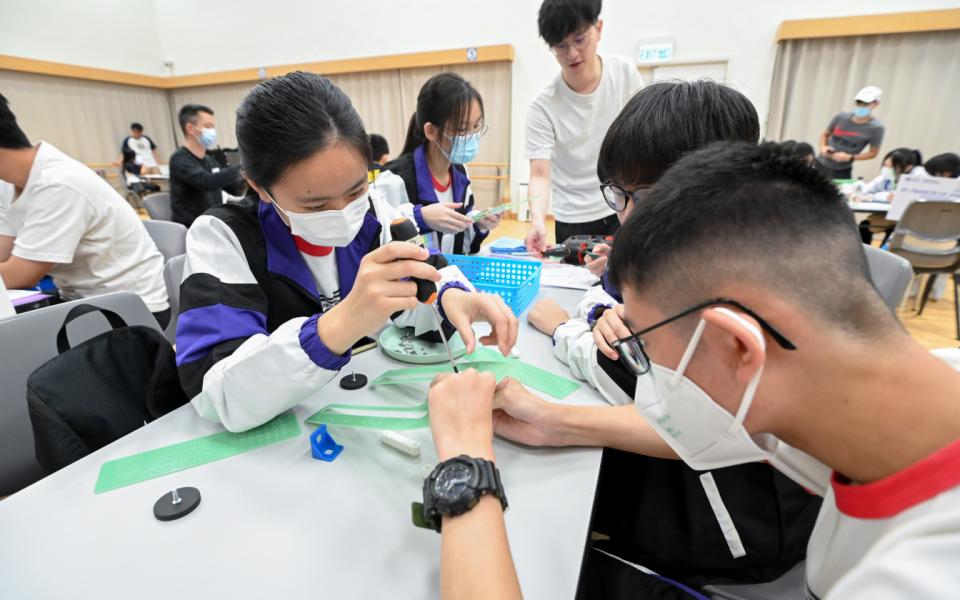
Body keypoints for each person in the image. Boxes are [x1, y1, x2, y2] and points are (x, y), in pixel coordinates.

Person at [424, 142, 960, 599]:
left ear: (736, 347)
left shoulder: (923, 574)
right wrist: (549, 421)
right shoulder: (851, 402)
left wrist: (465, 465)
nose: (641, 372)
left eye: (646, 349)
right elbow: (703, 431)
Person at [523, 81, 821, 595]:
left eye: (648, 197)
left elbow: (632, 378)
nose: (627, 217)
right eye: (619, 193)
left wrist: (563, 330)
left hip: (732, 536)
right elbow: (613, 306)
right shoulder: (703, 250)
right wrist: (597, 311)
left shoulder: (735, 296)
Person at [176, 72, 518, 432]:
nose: (343, 214)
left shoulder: (373, 211)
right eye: (315, 205)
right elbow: (217, 394)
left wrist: (447, 298)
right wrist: (338, 325)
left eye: (355, 190)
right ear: (259, 187)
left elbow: (419, 284)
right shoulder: (223, 237)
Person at [0, 93, 169, 326]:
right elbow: (5, 255)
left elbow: (20, 275)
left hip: (131, 311)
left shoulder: (57, 183)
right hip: (80, 302)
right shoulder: (12, 182)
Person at [524, 0, 642, 253]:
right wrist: (537, 221)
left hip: (620, 206)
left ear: (598, 28)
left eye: (580, 39)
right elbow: (539, 174)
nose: (572, 54)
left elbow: (641, 140)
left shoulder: (624, 74)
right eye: (561, 46)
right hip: (571, 217)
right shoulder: (543, 106)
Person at [376, 73, 499, 254]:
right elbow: (378, 238)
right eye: (461, 129)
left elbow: (461, 247)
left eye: (476, 127)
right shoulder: (394, 180)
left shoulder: (460, 174)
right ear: (431, 131)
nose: (471, 136)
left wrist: (478, 225)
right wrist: (419, 218)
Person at [169, 104, 243, 228]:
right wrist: (244, 167)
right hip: (192, 227)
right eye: (208, 126)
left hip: (213, 223)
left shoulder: (210, 160)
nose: (212, 132)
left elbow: (229, 186)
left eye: (213, 127)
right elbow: (207, 182)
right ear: (191, 129)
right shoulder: (179, 159)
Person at [814, 85, 885, 180]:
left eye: (866, 104)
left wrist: (851, 157)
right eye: (859, 103)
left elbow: (873, 153)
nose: (861, 106)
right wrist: (823, 147)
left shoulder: (876, 128)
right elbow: (825, 135)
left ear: (876, 104)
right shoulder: (840, 117)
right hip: (820, 164)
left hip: (842, 171)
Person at [858, 148, 925, 245]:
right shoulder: (887, 176)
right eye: (885, 166)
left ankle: (885, 255)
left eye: (891, 167)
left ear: (908, 168)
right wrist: (881, 196)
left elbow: (896, 197)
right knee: (864, 226)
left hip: (908, 218)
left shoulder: (918, 176)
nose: (886, 170)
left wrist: (877, 196)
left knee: (892, 232)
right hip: (888, 215)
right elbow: (865, 191)